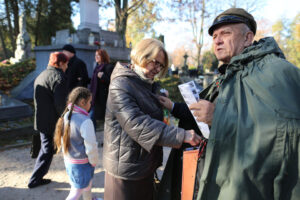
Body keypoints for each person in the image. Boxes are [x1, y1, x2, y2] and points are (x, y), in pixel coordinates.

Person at [165, 8, 300, 200]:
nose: (217, 41)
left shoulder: (278, 73)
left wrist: (218, 117)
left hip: (248, 188)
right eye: (214, 36)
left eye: (225, 33)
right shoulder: (227, 76)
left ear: (247, 38)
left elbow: (286, 136)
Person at [102, 38, 202, 200]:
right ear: (142, 55)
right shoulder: (120, 84)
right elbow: (137, 124)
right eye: (155, 63)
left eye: (161, 65)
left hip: (144, 165)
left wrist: (164, 101)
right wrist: (182, 135)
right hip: (126, 170)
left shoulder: (146, 84)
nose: (157, 69)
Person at [28, 52, 69, 188]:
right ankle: (35, 179)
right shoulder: (59, 77)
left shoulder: (42, 75)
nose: (67, 66)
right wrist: (67, 116)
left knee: (47, 149)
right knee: (47, 150)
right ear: (61, 63)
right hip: (51, 121)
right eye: (66, 63)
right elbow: (60, 104)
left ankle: (37, 177)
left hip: (41, 119)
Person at [54, 87, 100, 200]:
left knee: (86, 185)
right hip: (83, 163)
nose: (91, 104)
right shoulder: (85, 121)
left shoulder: (67, 115)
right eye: (90, 102)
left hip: (70, 161)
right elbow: (91, 146)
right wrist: (94, 161)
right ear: (83, 102)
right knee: (75, 192)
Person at [89, 49, 115, 129]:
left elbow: (113, 82)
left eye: (98, 55)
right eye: (95, 55)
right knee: (92, 119)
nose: (96, 57)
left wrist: (103, 77)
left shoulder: (108, 67)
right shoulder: (97, 68)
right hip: (95, 98)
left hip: (103, 99)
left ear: (103, 56)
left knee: (94, 119)